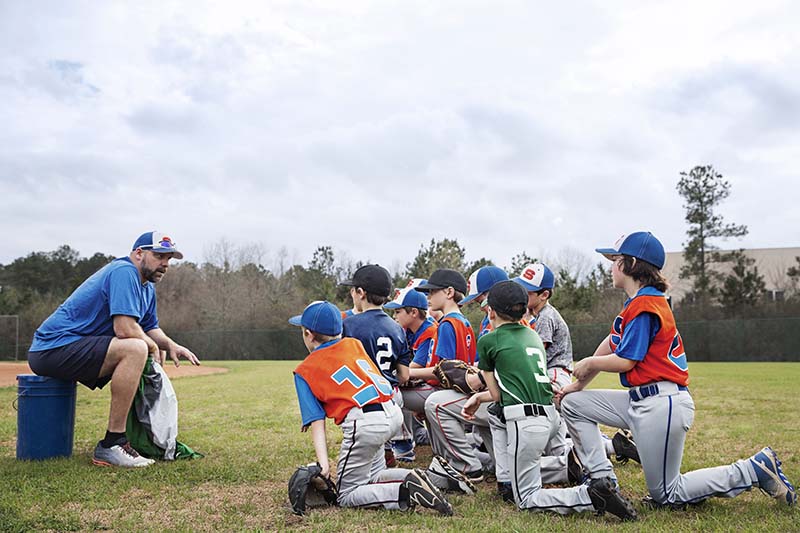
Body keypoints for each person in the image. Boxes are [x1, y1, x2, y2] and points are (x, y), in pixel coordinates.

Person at [557, 231, 797, 509]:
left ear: (631, 264)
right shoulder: (638, 302)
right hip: (643, 400)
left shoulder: (646, 304)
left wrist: (589, 363)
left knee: (667, 494)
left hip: (662, 404)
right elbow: (610, 342)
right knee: (574, 404)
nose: (611, 265)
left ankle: (754, 469)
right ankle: (602, 483)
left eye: (615, 259)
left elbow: (625, 361)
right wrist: (578, 385)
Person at [462, 281, 638, 520]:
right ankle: (521, 476)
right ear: (524, 310)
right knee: (496, 414)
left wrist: (476, 395)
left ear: (490, 311)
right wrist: (479, 398)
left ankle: (589, 496)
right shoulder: (533, 336)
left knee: (525, 498)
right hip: (551, 416)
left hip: (526, 422)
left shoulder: (489, 341)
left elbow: (496, 394)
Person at [27, 231, 199, 468]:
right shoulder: (124, 272)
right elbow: (125, 327)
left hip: (71, 348)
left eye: (169, 258)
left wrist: (169, 344)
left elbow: (150, 328)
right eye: (160, 256)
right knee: (135, 349)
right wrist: (149, 346)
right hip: (51, 348)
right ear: (139, 253)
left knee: (140, 346)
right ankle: (112, 443)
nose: (166, 264)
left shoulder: (146, 286)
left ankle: (132, 439)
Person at [290, 300, 452, 515]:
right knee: (373, 475)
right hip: (392, 411)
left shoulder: (304, 370)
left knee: (347, 494)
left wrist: (324, 465)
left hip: (365, 422)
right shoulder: (353, 344)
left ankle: (405, 491)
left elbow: (317, 422)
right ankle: (420, 476)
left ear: (309, 334)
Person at [415, 269, 494, 484]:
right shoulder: (465, 322)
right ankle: (454, 459)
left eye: (432, 291)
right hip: (470, 390)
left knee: (431, 403)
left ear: (449, 292)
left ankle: (458, 463)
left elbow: (443, 370)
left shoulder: (448, 324)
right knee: (499, 464)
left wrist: (410, 373)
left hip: (456, 391)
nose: (428, 296)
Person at [341, 264, 411, 468]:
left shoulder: (349, 325)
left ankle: (377, 457)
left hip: (364, 402)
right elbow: (404, 375)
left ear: (361, 293)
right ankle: (386, 448)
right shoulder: (397, 327)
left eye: (353, 290)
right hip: (392, 400)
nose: (352, 294)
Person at [385, 280, 437, 460]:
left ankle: (404, 444)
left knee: (393, 391)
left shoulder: (428, 331)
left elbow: (414, 368)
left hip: (437, 388)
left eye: (398, 311)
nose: (394, 316)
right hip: (425, 385)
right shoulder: (409, 330)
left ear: (414, 312)